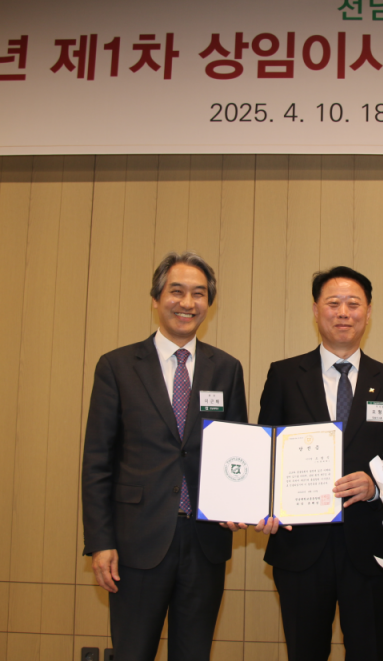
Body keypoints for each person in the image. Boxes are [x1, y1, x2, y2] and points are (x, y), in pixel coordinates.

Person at [81, 252, 248, 661]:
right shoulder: (117, 366)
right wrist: (101, 542)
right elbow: (97, 462)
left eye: (199, 294)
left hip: (205, 542)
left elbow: (239, 452)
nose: (187, 303)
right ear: (156, 298)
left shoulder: (227, 369)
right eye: (177, 292)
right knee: (133, 653)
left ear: (209, 304)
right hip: (137, 541)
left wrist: (242, 503)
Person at [257, 266, 383, 661]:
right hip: (299, 547)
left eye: (353, 304)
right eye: (333, 303)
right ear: (316, 310)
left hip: (370, 545)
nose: (343, 312)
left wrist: (376, 485)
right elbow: (265, 451)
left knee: (369, 653)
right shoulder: (283, 375)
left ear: (368, 311)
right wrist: (265, 505)